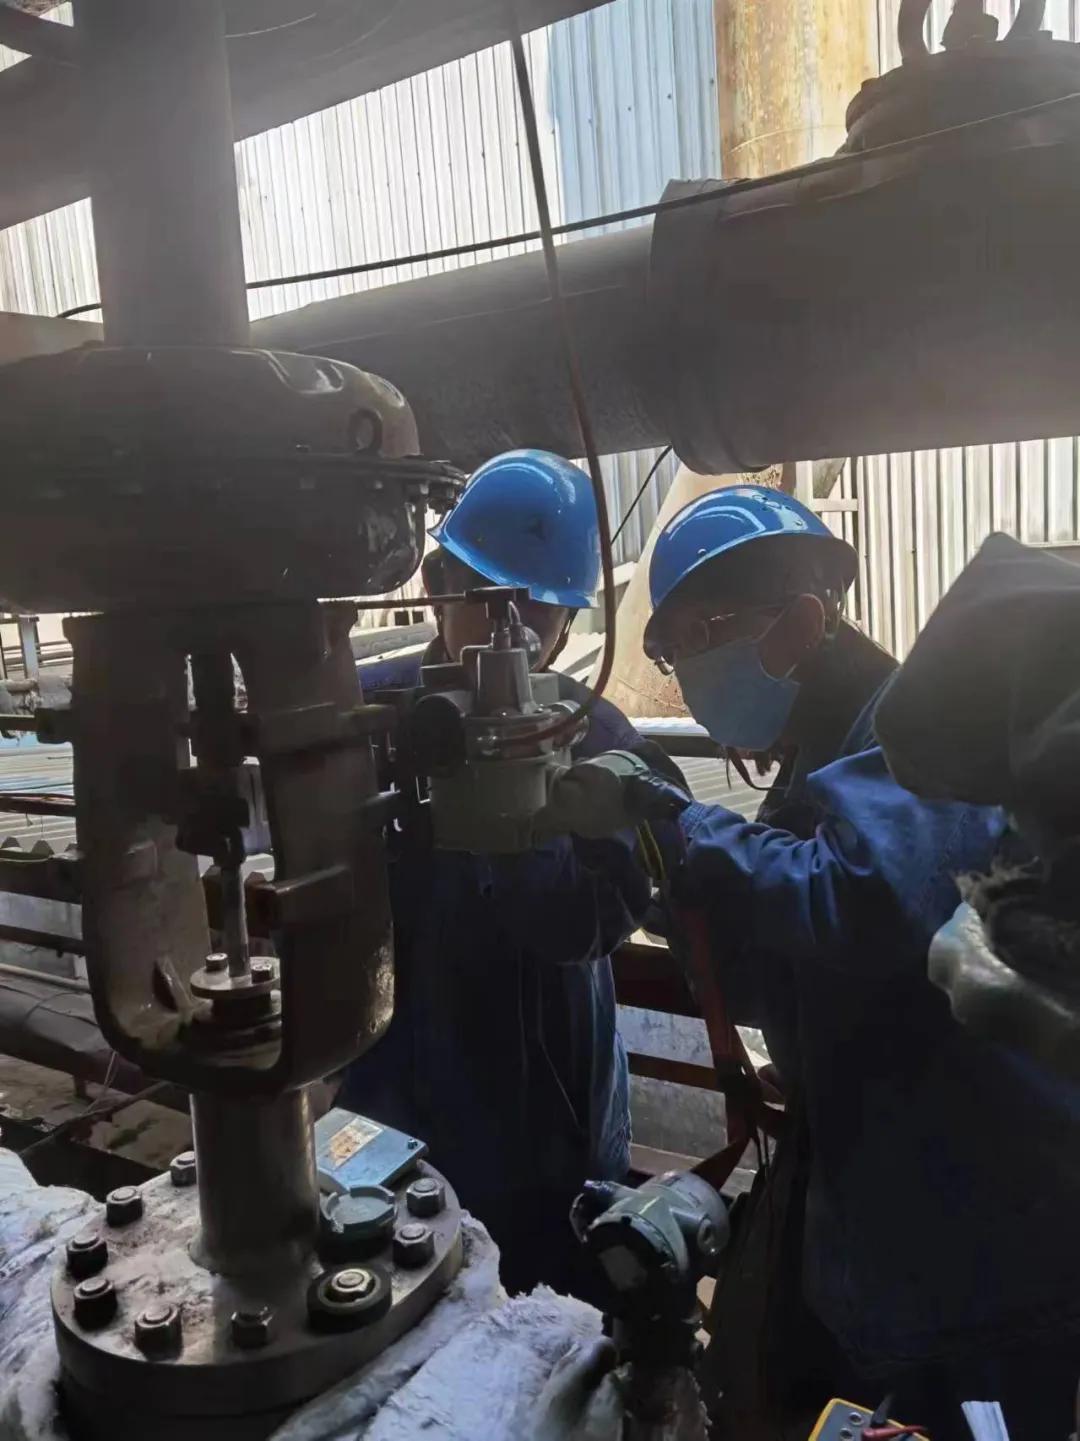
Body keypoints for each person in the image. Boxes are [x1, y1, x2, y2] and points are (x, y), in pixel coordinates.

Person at [550, 485, 1080, 1439]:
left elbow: (866, 900)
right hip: (882, 1177)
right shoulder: (814, 758)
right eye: (671, 651)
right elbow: (786, 959)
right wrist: (665, 881)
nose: (686, 675)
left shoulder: (916, 735)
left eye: (700, 638)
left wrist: (680, 825)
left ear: (801, 620)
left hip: (978, 1209)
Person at [338, 449, 681, 1298]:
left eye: (541, 608)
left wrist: (525, 815)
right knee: (392, 1289)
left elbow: (591, 920)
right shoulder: (367, 715)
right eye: (492, 599)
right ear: (436, 584)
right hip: (394, 1090)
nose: (517, 632)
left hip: (551, 1105)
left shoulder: (595, 735)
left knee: (555, 1308)